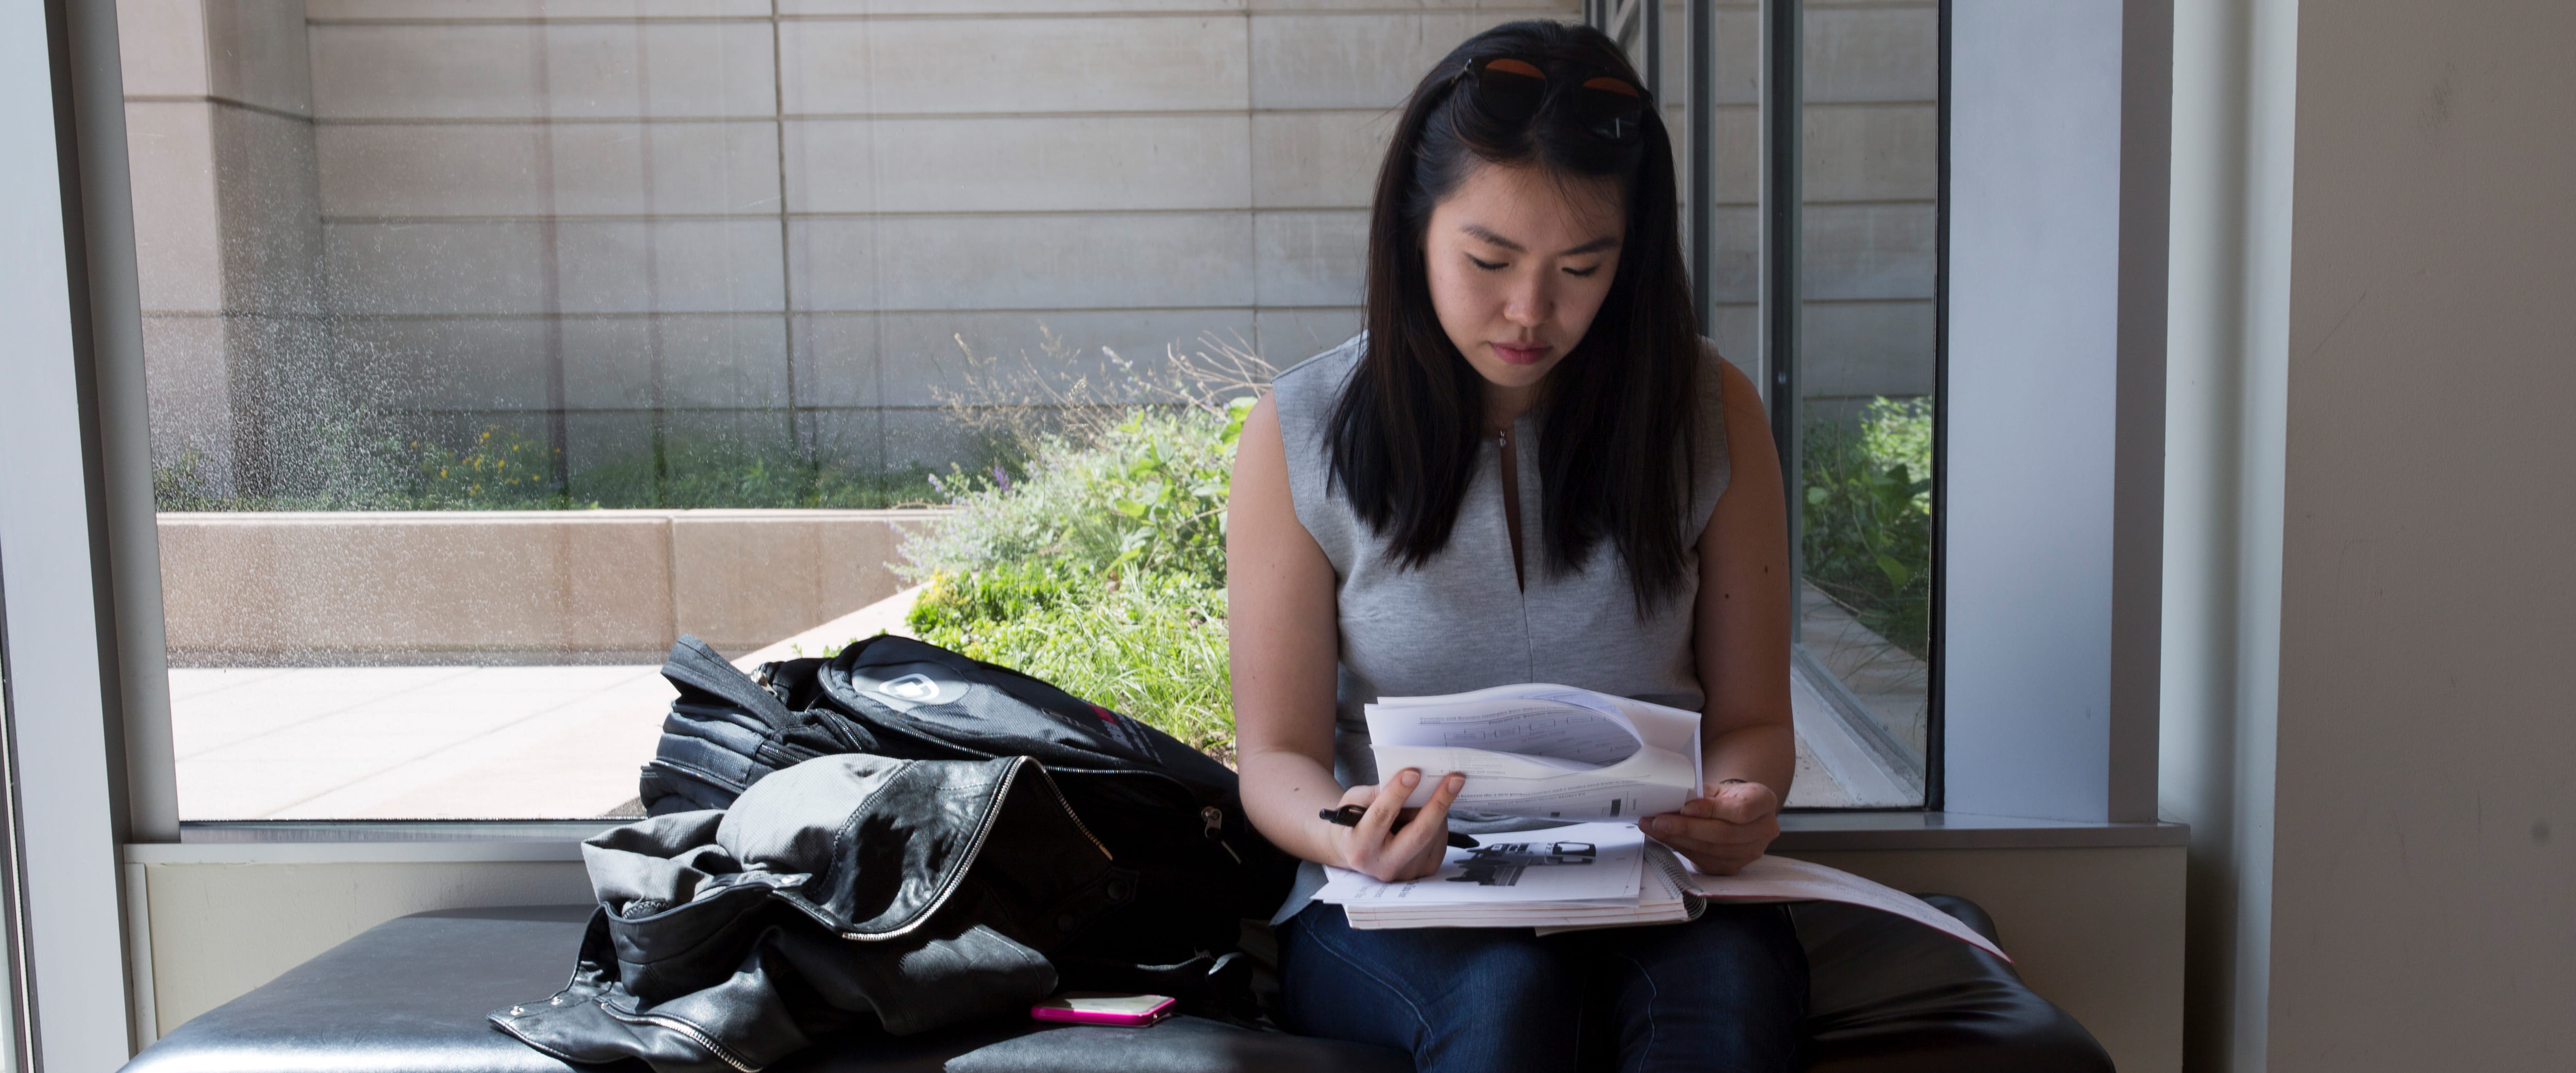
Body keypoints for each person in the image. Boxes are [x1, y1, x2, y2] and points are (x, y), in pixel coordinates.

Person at [1225, 19, 1805, 1073]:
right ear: (1414, 231)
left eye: (1582, 267)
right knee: (1505, 1006)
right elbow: (1274, 758)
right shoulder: (1299, 429)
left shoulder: (1707, 409)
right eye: (1488, 259)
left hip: (1658, 879)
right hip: (1402, 896)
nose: (1530, 311)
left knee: (1716, 1018)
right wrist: (1343, 833)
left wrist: (1742, 801)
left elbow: (1757, 720)